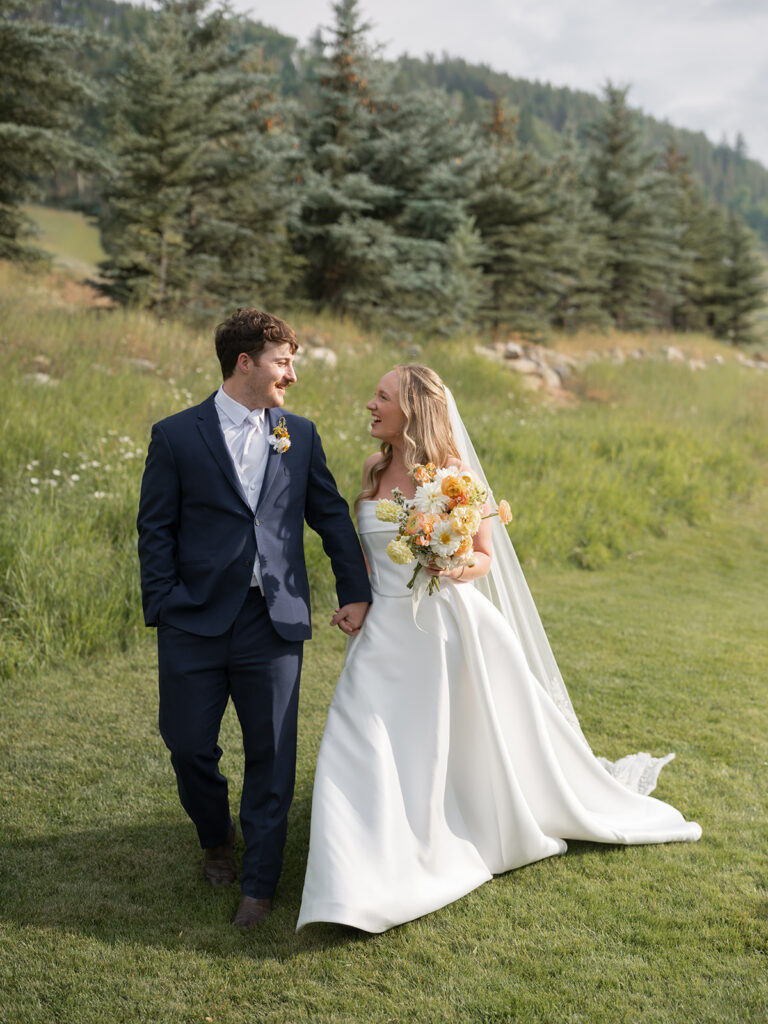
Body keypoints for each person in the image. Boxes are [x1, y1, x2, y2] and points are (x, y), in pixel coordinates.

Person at [297, 364, 701, 934]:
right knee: (357, 734)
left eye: (382, 396)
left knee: (446, 742)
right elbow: (368, 552)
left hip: (444, 627)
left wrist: (453, 562)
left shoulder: (455, 476)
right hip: (382, 629)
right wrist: (357, 599)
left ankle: (439, 834)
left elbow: (483, 555)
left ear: (412, 409)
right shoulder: (372, 467)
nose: (370, 404)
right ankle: (353, 872)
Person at [137, 308, 371, 931]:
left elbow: (330, 518)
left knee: (273, 755)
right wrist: (162, 602)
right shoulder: (176, 435)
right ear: (246, 362)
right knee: (187, 746)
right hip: (193, 619)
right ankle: (216, 838)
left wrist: (356, 589)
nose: (290, 375)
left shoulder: (301, 434)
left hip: (274, 618)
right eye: (283, 362)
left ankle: (260, 883)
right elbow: (155, 527)